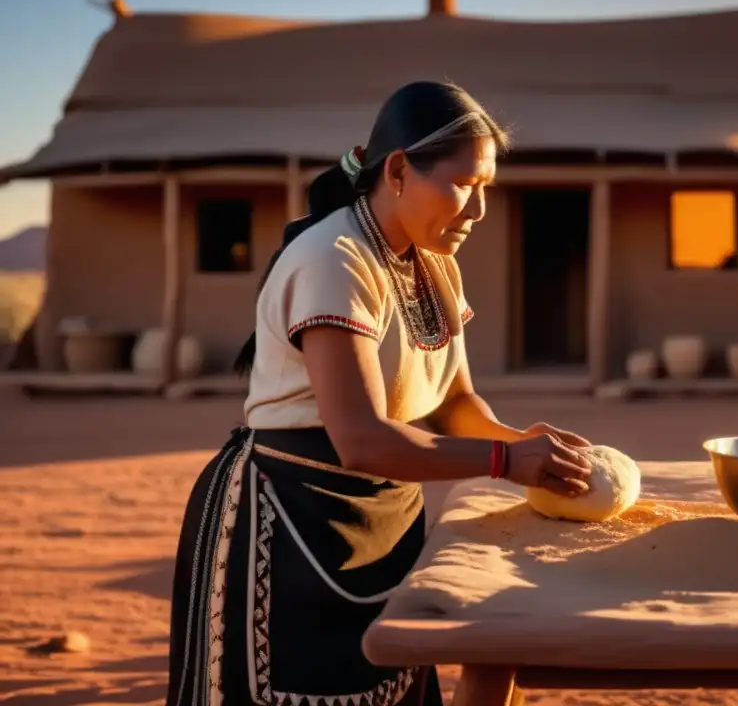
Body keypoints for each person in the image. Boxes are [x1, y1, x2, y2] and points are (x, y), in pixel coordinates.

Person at [166, 81, 595, 706]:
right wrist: (506, 463)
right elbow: (362, 439)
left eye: (487, 190)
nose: (477, 210)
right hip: (288, 527)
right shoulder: (334, 258)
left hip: (387, 524)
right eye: (464, 184)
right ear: (398, 170)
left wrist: (525, 444)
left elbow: (453, 406)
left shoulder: (434, 263)